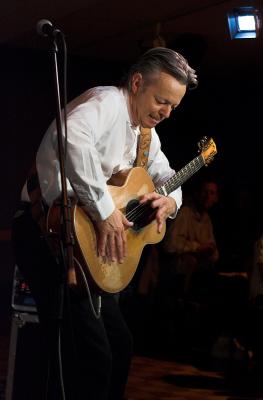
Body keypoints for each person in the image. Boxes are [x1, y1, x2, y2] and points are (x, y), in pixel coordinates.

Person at [12, 47, 197, 400]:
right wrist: (103, 209)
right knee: (86, 356)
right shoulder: (107, 102)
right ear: (137, 82)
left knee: (120, 345)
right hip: (46, 236)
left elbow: (168, 174)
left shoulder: (145, 135)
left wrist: (169, 200)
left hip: (84, 246)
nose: (166, 112)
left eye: (173, 106)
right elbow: (72, 135)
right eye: (161, 100)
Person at [162, 178, 219, 299]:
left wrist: (210, 251)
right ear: (198, 193)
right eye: (205, 192)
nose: (207, 196)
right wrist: (197, 247)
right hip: (176, 272)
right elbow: (170, 244)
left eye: (212, 193)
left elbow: (213, 249)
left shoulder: (206, 219)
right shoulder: (185, 213)